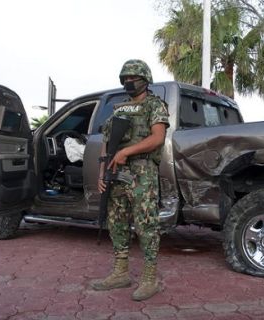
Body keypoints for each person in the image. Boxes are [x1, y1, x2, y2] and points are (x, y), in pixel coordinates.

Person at [90, 59, 169, 301]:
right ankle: (120, 272)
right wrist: (102, 172)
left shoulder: (155, 105)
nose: (128, 82)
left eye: (133, 78)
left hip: (142, 170)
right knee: (117, 222)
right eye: (125, 79)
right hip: (116, 171)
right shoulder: (119, 109)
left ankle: (149, 278)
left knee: (146, 223)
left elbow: (157, 138)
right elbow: (106, 142)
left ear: (145, 80)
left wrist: (126, 152)